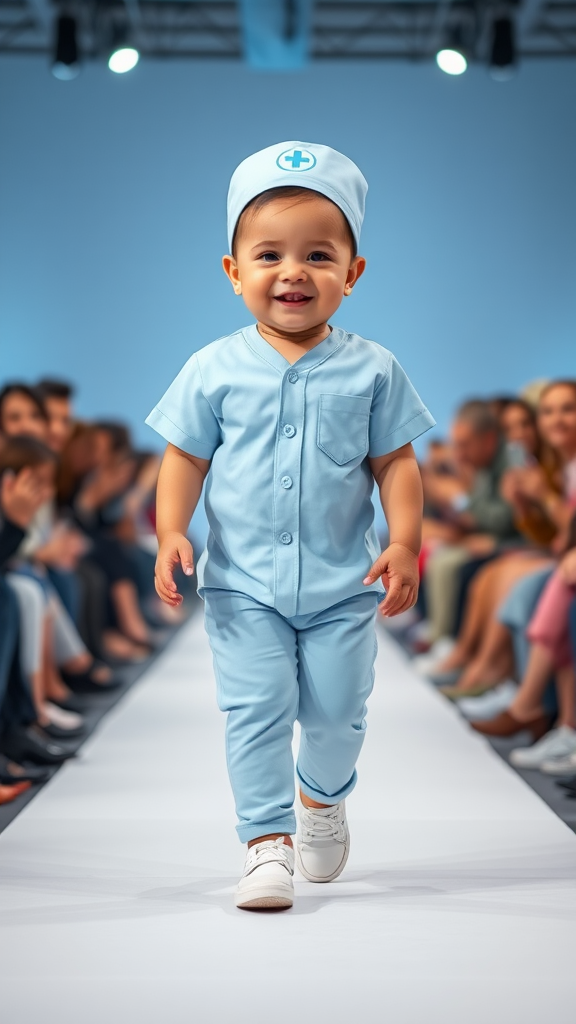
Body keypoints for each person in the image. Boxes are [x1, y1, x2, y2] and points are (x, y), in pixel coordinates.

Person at [146, 141, 435, 910]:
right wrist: (171, 528)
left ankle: (322, 797)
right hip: (243, 585)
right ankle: (264, 843)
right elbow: (183, 460)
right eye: (268, 254)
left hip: (344, 584)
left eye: (318, 254)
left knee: (339, 712)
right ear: (233, 271)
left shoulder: (374, 368)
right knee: (256, 711)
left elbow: (396, 466)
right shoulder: (212, 367)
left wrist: (403, 539)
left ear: (354, 272)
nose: (293, 272)